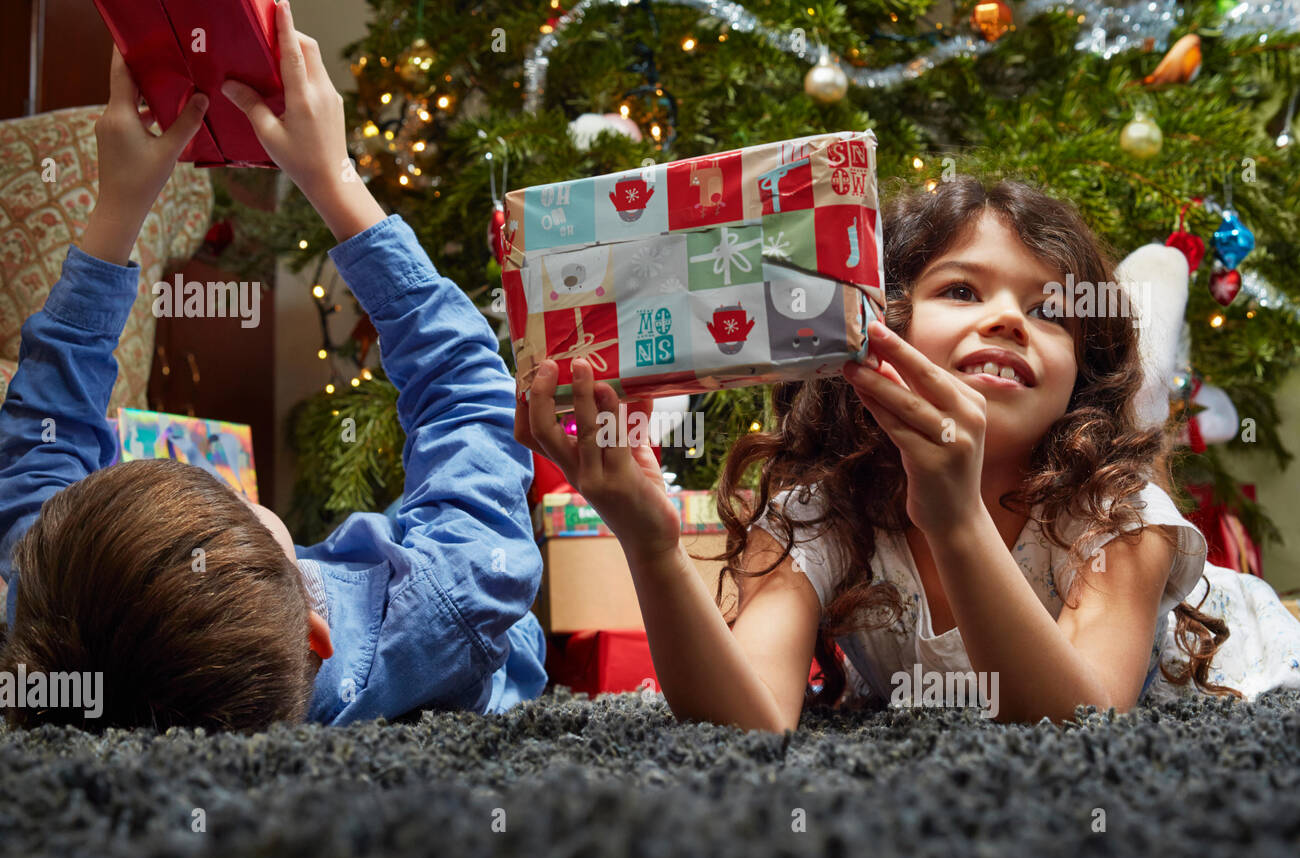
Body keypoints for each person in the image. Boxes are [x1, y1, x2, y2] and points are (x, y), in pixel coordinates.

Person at [517, 175, 1300, 732]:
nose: (1006, 320)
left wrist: (954, 518)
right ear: (875, 325)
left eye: (1050, 310)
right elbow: (748, 718)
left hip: (1238, 650)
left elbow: (1084, 723)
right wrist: (650, 545)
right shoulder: (819, 511)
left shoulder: (1117, 513)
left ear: (1081, 377)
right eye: (961, 291)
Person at [0, 1, 546, 730]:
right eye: (244, 511)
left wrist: (116, 208)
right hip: (484, 640)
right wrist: (334, 179)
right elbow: (467, 396)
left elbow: (39, 451)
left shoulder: (51, 607)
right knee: (459, 575)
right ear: (317, 639)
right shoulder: (454, 601)